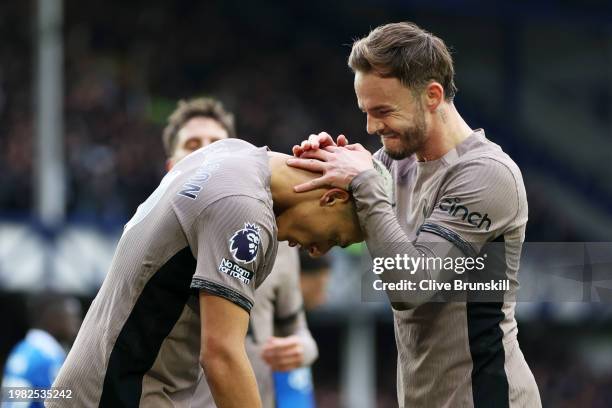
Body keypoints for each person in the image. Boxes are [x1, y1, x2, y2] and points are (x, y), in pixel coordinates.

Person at [289, 22, 541, 407]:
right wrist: (312, 166)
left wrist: (364, 182)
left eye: (383, 111)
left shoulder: (486, 174)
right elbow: (327, 230)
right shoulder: (392, 164)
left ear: (432, 96)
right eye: (366, 112)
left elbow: (412, 287)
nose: (371, 127)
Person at [48, 137, 365, 407]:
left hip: (104, 388)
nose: (317, 251)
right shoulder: (244, 210)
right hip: (118, 394)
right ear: (332, 198)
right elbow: (221, 355)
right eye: (337, 238)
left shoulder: (232, 153)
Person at [161, 97, 318, 408]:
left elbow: (296, 328)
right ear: (171, 166)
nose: (204, 151)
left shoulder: (277, 242)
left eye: (215, 144)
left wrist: (302, 348)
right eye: (193, 144)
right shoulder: (153, 244)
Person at [2, 292, 82, 408]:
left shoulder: (21, 349)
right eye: (72, 316)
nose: (77, 323)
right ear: (53, 318)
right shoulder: (48, 358)